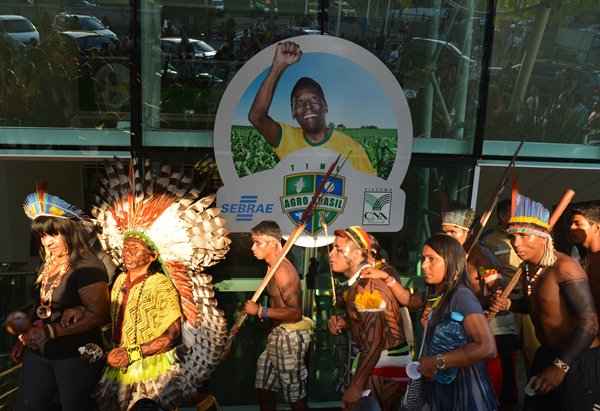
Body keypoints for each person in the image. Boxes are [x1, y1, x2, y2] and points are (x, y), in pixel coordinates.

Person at [92, 159, 230, 410]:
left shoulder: (160, 284)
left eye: (134, 248)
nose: (127, 253)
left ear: (152, 255)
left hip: (152, 365)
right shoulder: (120, 279)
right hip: (122, 363)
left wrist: (133, 354)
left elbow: (171, 335)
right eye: (125, 248)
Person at [490, 192, 600, 411]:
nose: (516, 243)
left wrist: (560, 367)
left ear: (543, 237)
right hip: (547, 354)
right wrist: (510, 305)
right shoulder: (529, 268)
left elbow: (590, 323)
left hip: (576, 358)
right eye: (512, 236)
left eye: (523, 235)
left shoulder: (565, 267)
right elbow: (539, 305)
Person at [15, 189, 110, 411]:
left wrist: (52, 332)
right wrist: (25, 335)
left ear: (69, 232)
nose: (46, 242)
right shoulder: (47, 264)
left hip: (76, 355)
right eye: (42, 235)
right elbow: (42, 307)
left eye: (53, 234)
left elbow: (100, 315)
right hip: (41, 353)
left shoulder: (87, 267)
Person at [248, 41, 376, 175]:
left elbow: (368, 188)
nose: (307, 106)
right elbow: (256, 117)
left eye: (314, 99)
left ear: (325, 106)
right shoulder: (286, 138)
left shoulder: (352, 149)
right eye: (299, 102)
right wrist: (278, 66)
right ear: (293, 112)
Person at [327, 226, 406, 411]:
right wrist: (345, 322)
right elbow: (369, 323)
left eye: (338, 249)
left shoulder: (367, 286)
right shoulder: (360, 282)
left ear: (357, 254)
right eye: (332, 248)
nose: (331, 254)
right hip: (377, 364)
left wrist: (356, 386)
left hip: (382, 367)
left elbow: (375, 340)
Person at [418, 234, 498, 411]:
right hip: (443, 391)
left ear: (450, 262)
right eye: (423, 259)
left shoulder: (461, 296)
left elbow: (487, 347)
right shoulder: (439, 296)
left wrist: (437, 361)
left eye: (431, 259)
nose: (424, 265)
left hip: (465, 393)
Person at [243, 220, 312, 411]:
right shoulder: (271, 266)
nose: (252, 247)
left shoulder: (282, 271)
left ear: (274, 243)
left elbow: (296, 313)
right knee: (263, 387)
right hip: (277, 335)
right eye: (253, 242)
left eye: (258, 242)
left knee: (294, 395)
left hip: (290, 337)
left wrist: (260, 311)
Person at [569, 201, 600, 313]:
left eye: (578, 223)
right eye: (572, 223)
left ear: (596, 228)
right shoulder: (583, 258)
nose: (572, 228)